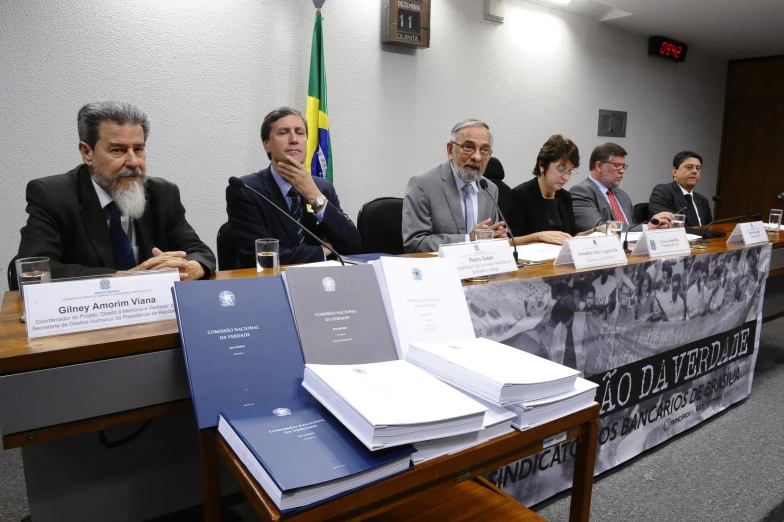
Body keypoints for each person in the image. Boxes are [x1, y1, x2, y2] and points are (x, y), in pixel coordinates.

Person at [17, 101, 215, 280]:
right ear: (87, 152)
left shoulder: (163, 193)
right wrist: (122, 278)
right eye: (117, 150)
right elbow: (35, 267)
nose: (133, 162)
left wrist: (191, 267)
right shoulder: (52, 196)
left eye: (138, 149)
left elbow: (200, 252)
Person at [225, 107, 361, 266]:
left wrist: (314, 197)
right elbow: (263, 257)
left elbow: (353, 246)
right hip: (270, 284)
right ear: (267, 145)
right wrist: (323, 251)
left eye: (300, 132)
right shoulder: (246, 190)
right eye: (283, 132)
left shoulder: (322, 188)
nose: (294, 139)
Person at [402, 119, 507, 253]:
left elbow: (489, 242)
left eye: (484, 150)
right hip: (440, 270)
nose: (477, 157)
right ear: (451, 150)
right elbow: (415, 243)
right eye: (468, 147)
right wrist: (468, 240)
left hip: (480, 270)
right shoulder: (422, 184)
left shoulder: (490, 189)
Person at [501, 135, 599, 245]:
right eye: (561, 169)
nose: (566, 177)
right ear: (542, 165)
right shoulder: (518, 196)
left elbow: (570, 236)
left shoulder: (565, 197)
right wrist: (539, 236)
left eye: (570, 171)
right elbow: (508, 241)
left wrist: (596, 231)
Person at [570, 142, 672, 231]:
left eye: (623, 166)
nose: (622, 171)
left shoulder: (623, 196)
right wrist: (647, 227)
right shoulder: (581, 192)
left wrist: (654, 225)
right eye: (617, 165)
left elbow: (631, 228)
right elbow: (598, 228)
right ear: (599, 166)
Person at [648, 151, 713, 227]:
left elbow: (708, 227)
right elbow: (667, 223)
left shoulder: (702, 200)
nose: (695, 171)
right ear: (674, 171)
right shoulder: (663, 191)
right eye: (689, 167)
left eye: (698, 168)